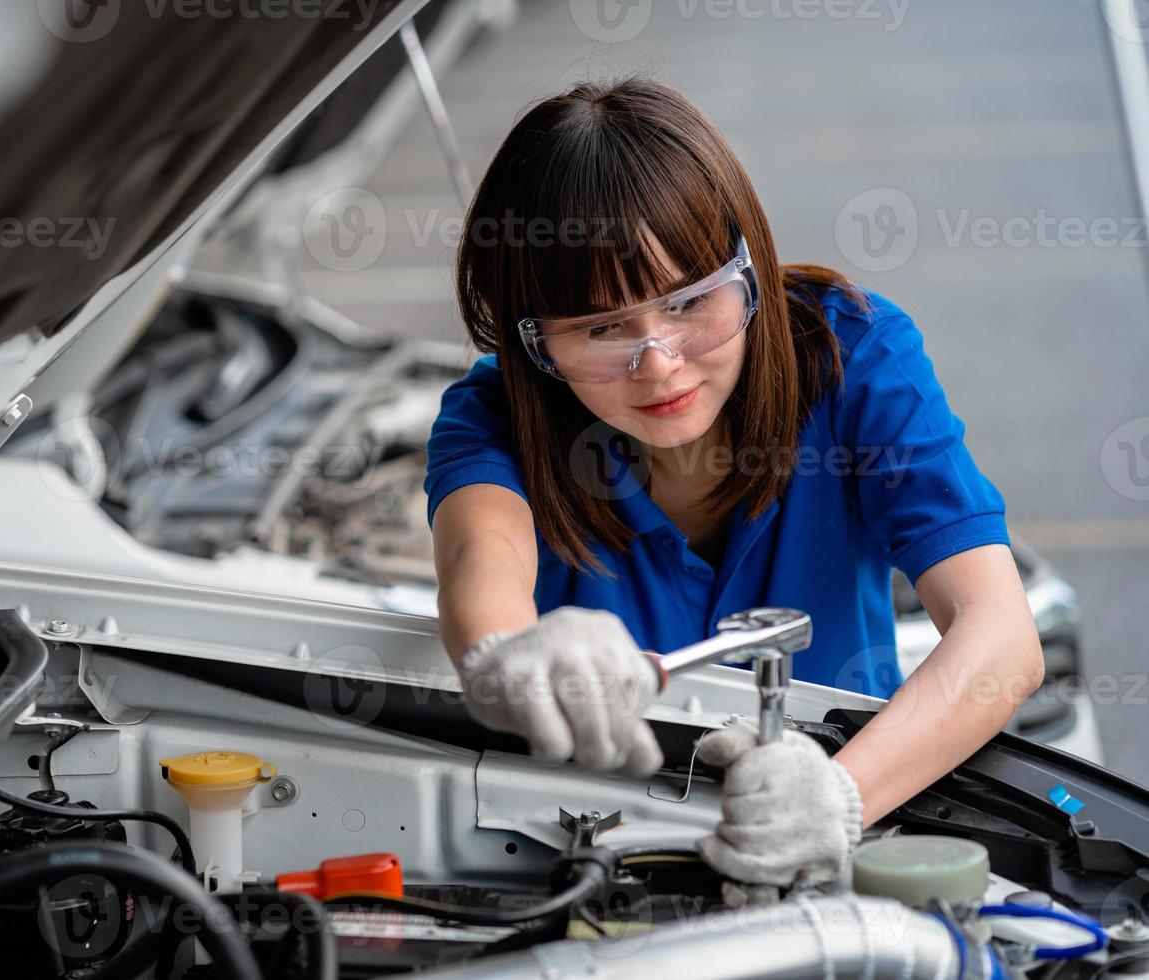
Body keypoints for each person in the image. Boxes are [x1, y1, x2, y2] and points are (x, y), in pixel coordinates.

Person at [425, 78, 1044, 903]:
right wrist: (504, 653)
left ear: (748, 263)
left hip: (851, 834)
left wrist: (839, 797)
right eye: (602, 328)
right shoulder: (493, 415)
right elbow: (480, 556)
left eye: (690, 301)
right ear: (533, 341)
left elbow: (1000, 637)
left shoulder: (852, 355)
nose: (660, 362)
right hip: (594, 857)